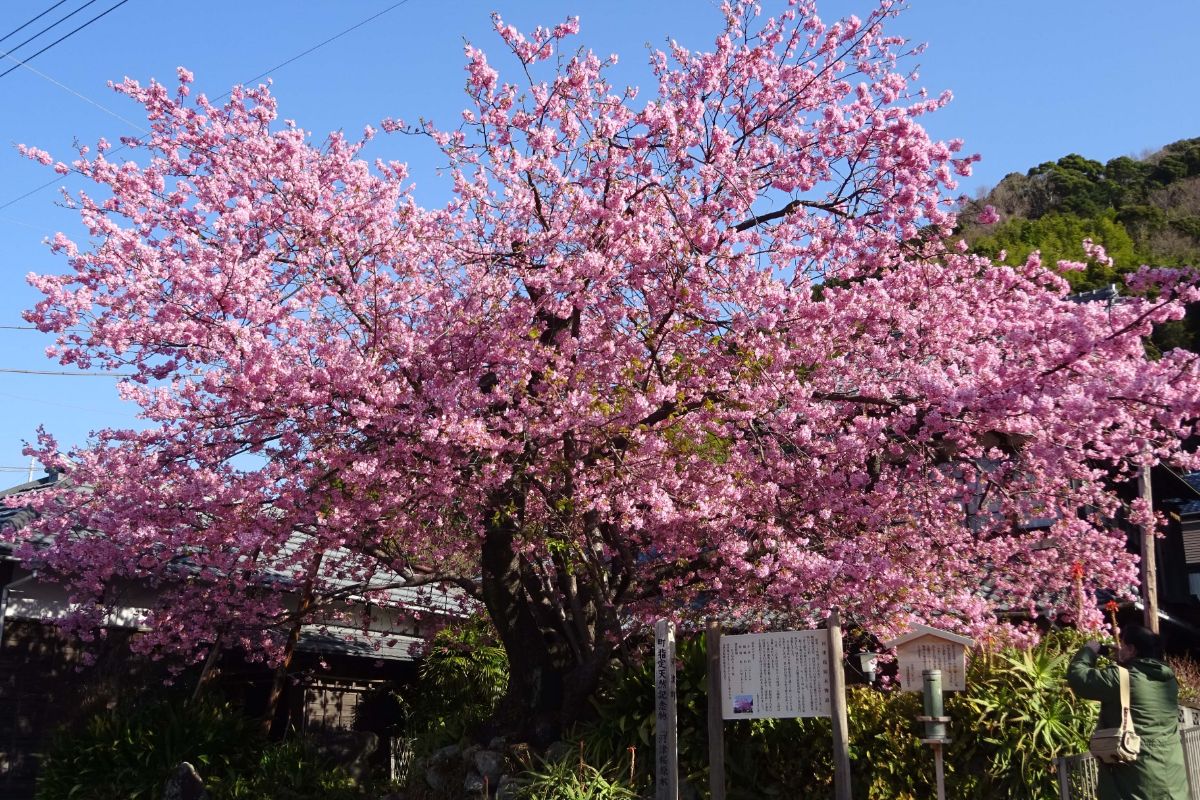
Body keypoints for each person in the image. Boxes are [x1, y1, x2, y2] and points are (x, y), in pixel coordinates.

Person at [1067, 625, 1189, 800]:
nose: (1119, 648)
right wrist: (1124, 659)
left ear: (1132, 649)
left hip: (1135, 780)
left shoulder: (1121, 677)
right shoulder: (1168, 679)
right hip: (1171, 778)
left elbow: (1079, 678)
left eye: (1123, 645)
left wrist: (1088, 651)